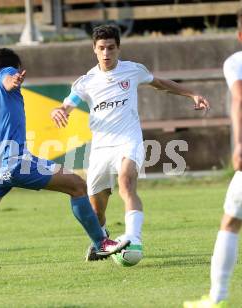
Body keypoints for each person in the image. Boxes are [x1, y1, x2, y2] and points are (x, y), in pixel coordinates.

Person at [0, 48, 130, 281]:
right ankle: (101, 242)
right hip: (14, 161)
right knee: (77, 186)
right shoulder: (7, 73)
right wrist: (14, 79)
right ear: (11, 66)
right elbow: (8, 80)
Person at [51, 25, 211, 261]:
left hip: (129, 139)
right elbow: (69, 104)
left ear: (118, 48)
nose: (106, 53)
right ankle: (102, 238)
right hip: (101, 148)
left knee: (126, 183)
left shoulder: (133, 71)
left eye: (111, 48)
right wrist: (59, 110)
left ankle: (133, 240)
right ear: (94, 50)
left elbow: (160, 83)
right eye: (102, 48)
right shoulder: (86, 82)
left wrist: (191, 94)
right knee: (97, 210)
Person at [183, 10, 242, 308]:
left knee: (231, 222)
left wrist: (240, 143)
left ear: (240, 35)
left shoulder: (236, 62)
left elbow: (240, 98)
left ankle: (217, 297)